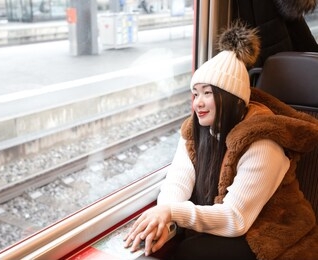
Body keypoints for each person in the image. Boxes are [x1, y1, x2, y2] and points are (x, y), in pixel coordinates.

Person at [123, 21, 318, 259]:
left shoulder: (263, 142)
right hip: (233, 224)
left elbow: (236, 218)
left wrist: (173, 212)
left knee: (191, 251)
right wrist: (164, 219)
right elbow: (177, 182)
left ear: (232, 99)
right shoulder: (195, 131)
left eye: (208, 93)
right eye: (195, 94)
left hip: (271, 231)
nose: (198, 103)